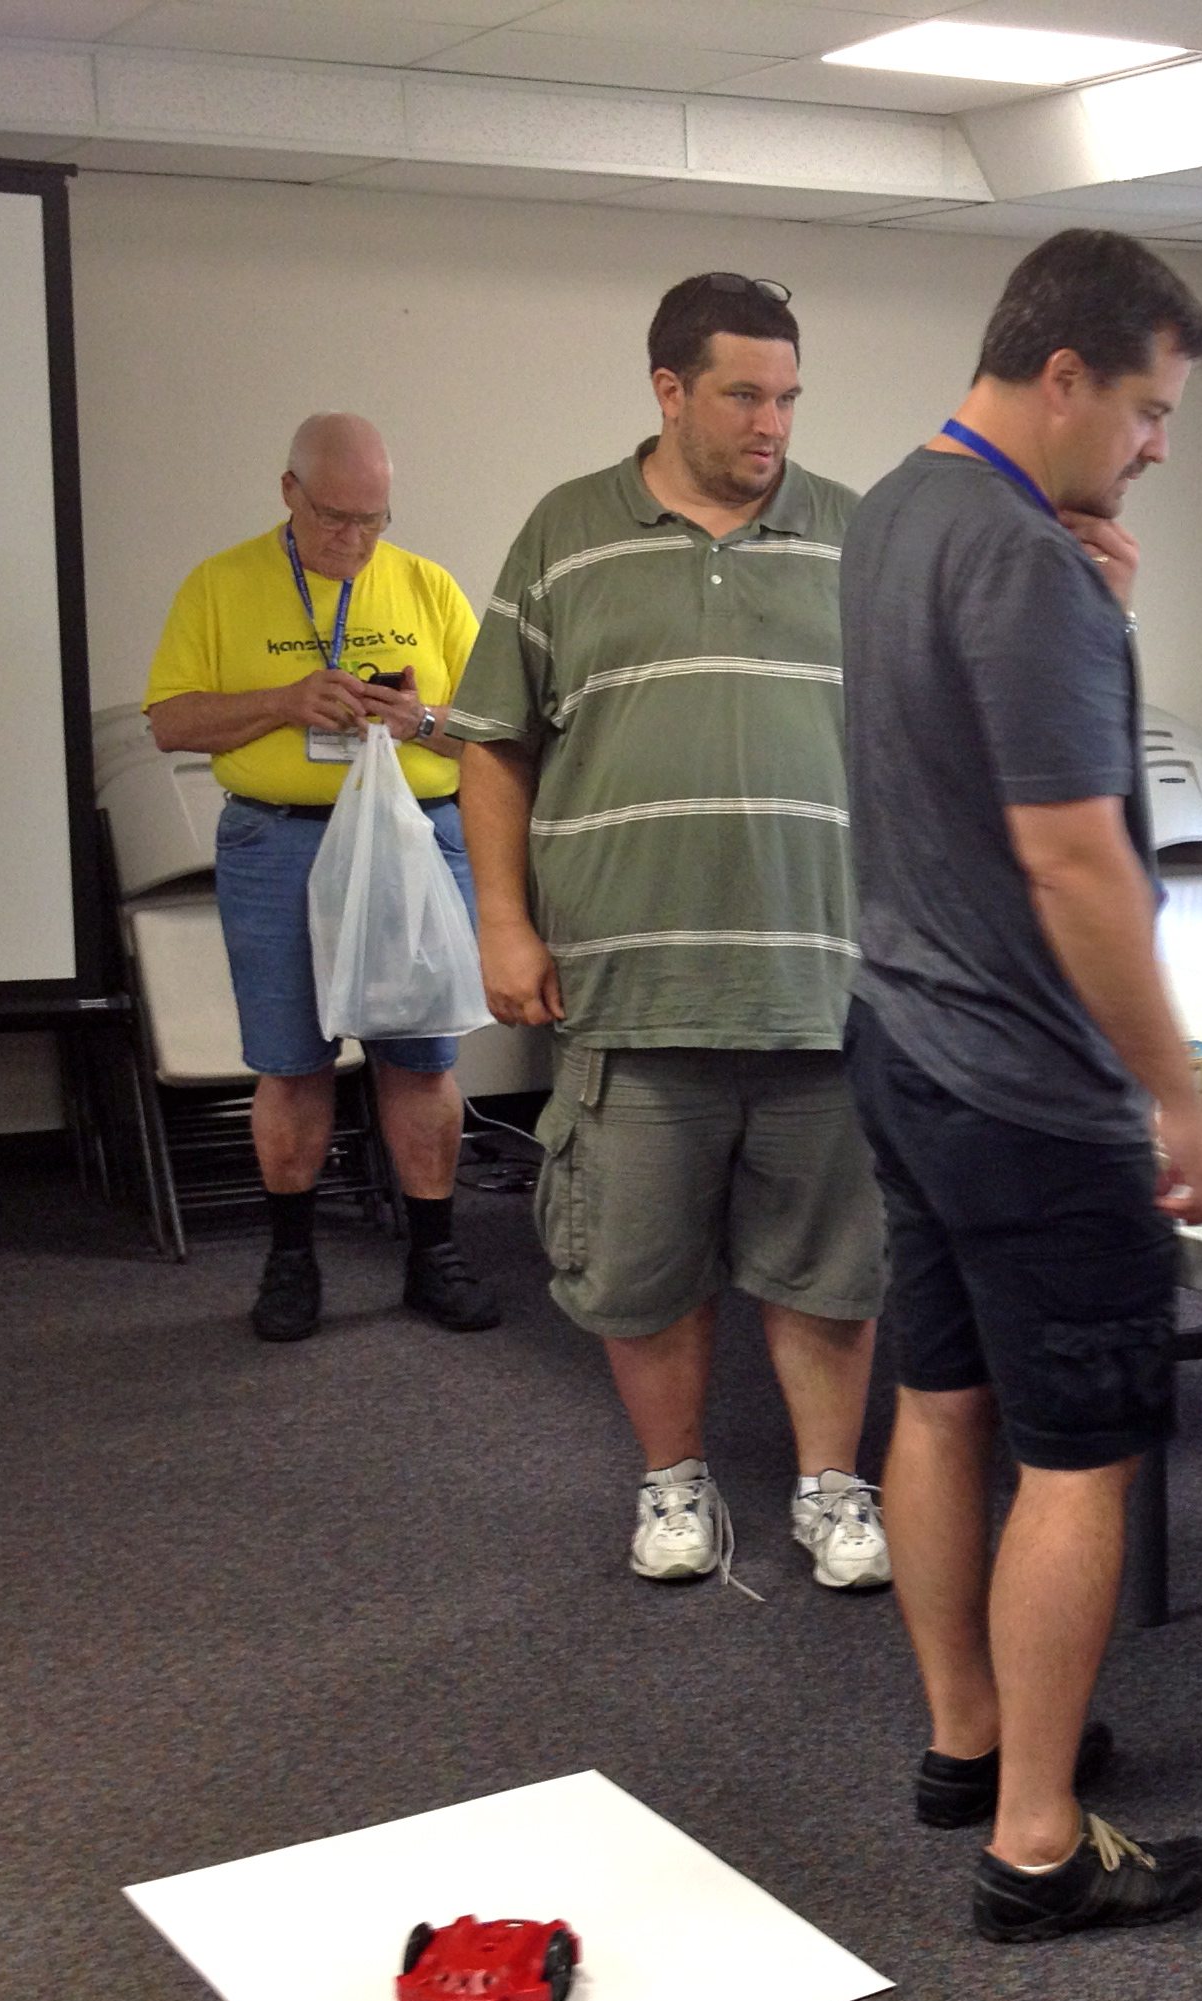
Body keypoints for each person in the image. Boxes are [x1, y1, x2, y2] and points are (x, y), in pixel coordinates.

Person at [840, 231, 1202, 1943]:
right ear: (1061, 376)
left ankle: (970, 1739)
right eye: (1146, 408)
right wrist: (1179, 1100)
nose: (1157, 445)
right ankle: (1037, 1841)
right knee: (1078, 1460)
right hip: (1027, 1088)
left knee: (939, 1405)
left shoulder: (894, 511)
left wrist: (1104, 623)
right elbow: (1078, 862)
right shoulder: (1024, 562)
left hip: (905, 1041)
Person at [447, 274, 890, 1596]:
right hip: (629, 985)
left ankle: (830, 1487)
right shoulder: (565, 534)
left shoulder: (854, 536)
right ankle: (674, 1480)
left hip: (818, 984)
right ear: (668, 390)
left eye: (790, 397)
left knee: (830, 1267)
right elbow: (493, 747)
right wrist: (503, 921)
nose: (773, 423)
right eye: (745, 395)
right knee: (642, 1266)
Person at [145, 413, 500, 1343]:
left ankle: (434, 1255)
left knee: (421, 1059)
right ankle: (292, 1260)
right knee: (292, 1064)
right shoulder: (220, 585)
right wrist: (283, 701)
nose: (355, 539)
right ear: (289, 493)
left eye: (373, 519)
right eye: (335, 517)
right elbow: (171, 724)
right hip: (280, 842)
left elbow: (499, 736)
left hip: (413, 840)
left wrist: (421, 721)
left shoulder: (427, 585)